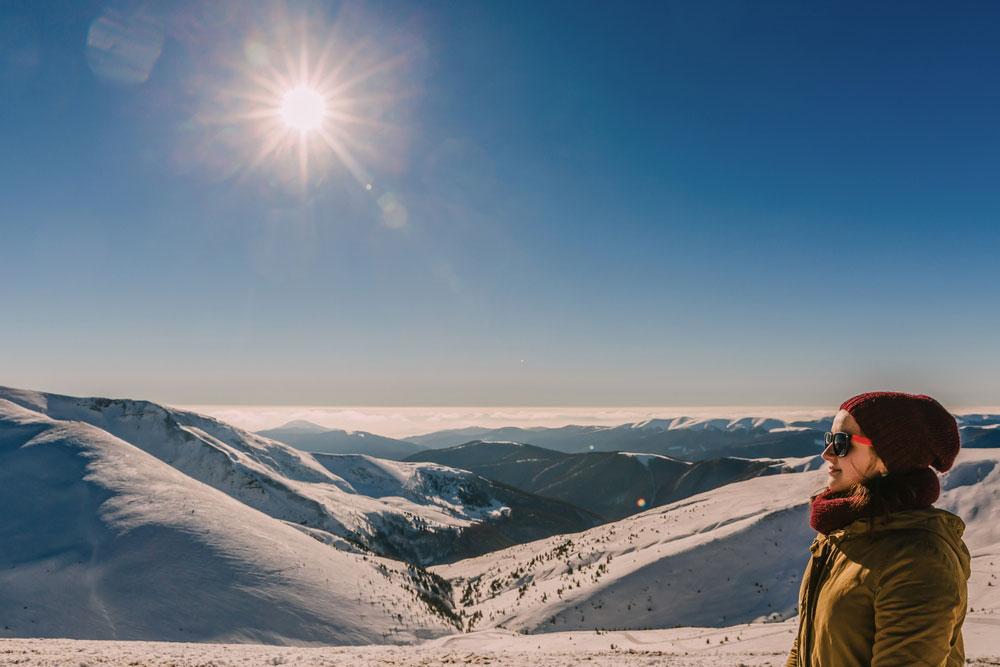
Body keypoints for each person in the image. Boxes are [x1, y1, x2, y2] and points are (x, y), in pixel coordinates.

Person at [785, 391, 971, 667]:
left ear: (890, 457)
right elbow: (806, 644)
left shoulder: (918, 559)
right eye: (830, 438)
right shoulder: (843, 534)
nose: (827, 453)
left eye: (842, 442)